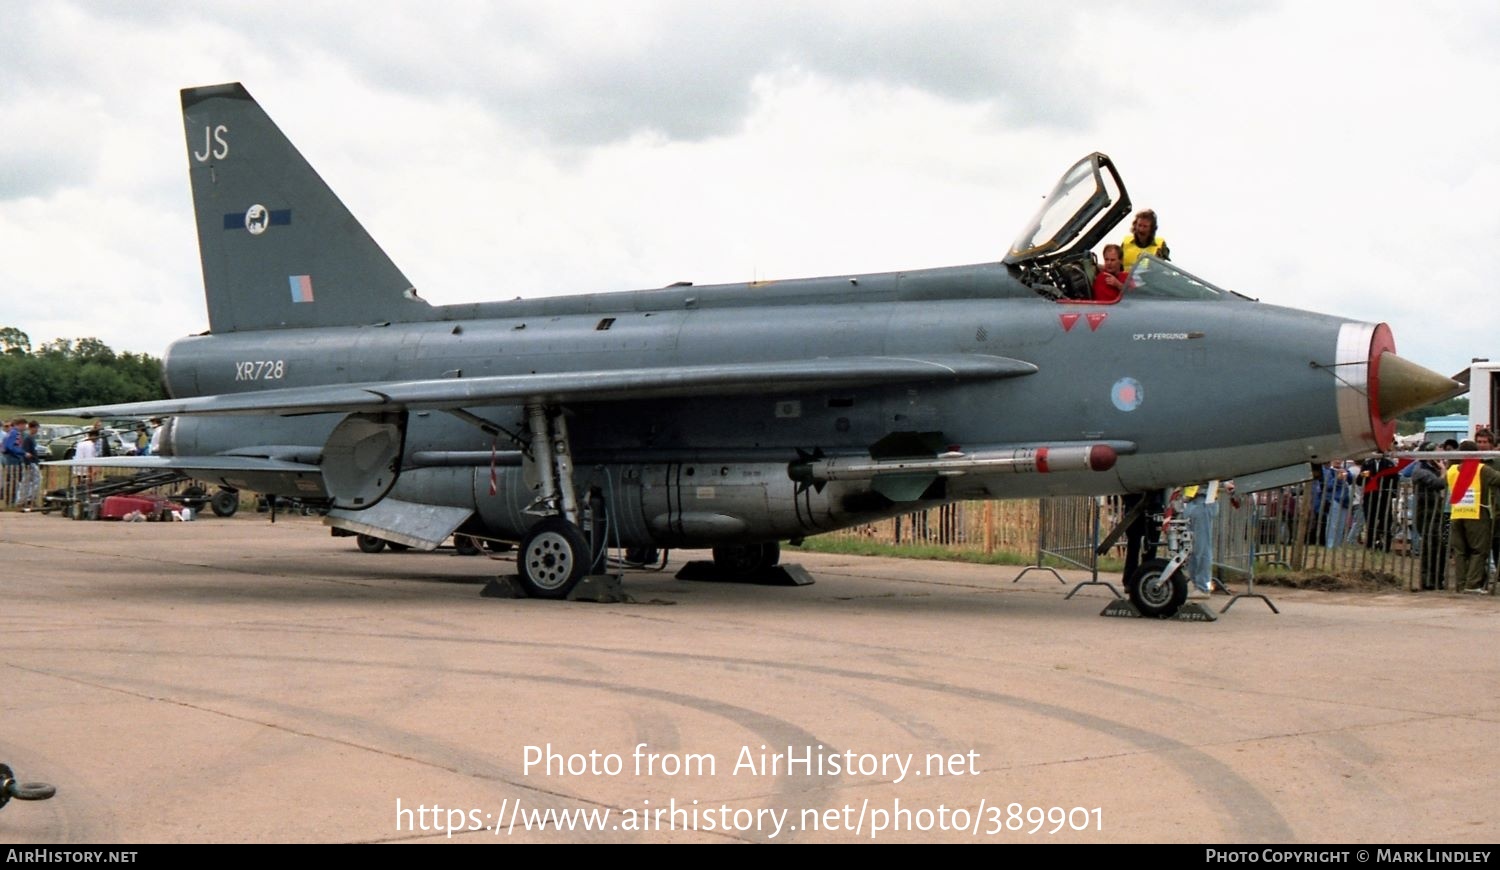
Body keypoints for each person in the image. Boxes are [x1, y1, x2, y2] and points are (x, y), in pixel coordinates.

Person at [1446, 440, 1500, 593]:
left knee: (1460, 552)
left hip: (1456, 514)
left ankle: (1461, 584)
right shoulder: (1482, 469)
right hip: (1476, 514)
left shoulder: (1452, 470)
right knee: (1479, 550)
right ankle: (1473, 585)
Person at [1181, 480, 1235, 599]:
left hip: (1203, 500)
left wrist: (1225, 484)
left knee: (1202, 547)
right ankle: (1198, 586)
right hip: (1193, 500)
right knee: (1193, 549)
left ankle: (1203, 587)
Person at [1410, 445, 1448, 590]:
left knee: (1438, 548)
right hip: (1425, 513)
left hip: (1435, 512)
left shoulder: (1432, 469)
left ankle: (1437, 579)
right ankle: (1428, 581)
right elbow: (1439, 484)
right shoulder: (1421, 471)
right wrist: (1443, 471)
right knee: (1430, 546)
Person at [16, 420, 42, 509]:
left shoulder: (32, 438)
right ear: (32, 428)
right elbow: (25, 452)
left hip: (33, 462)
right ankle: (24, 500)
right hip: (29, 463)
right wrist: (28, 463)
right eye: (36, 428)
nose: (37, 430)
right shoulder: (28, 438)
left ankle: (30, 499)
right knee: (29, 482)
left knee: (33, 481)